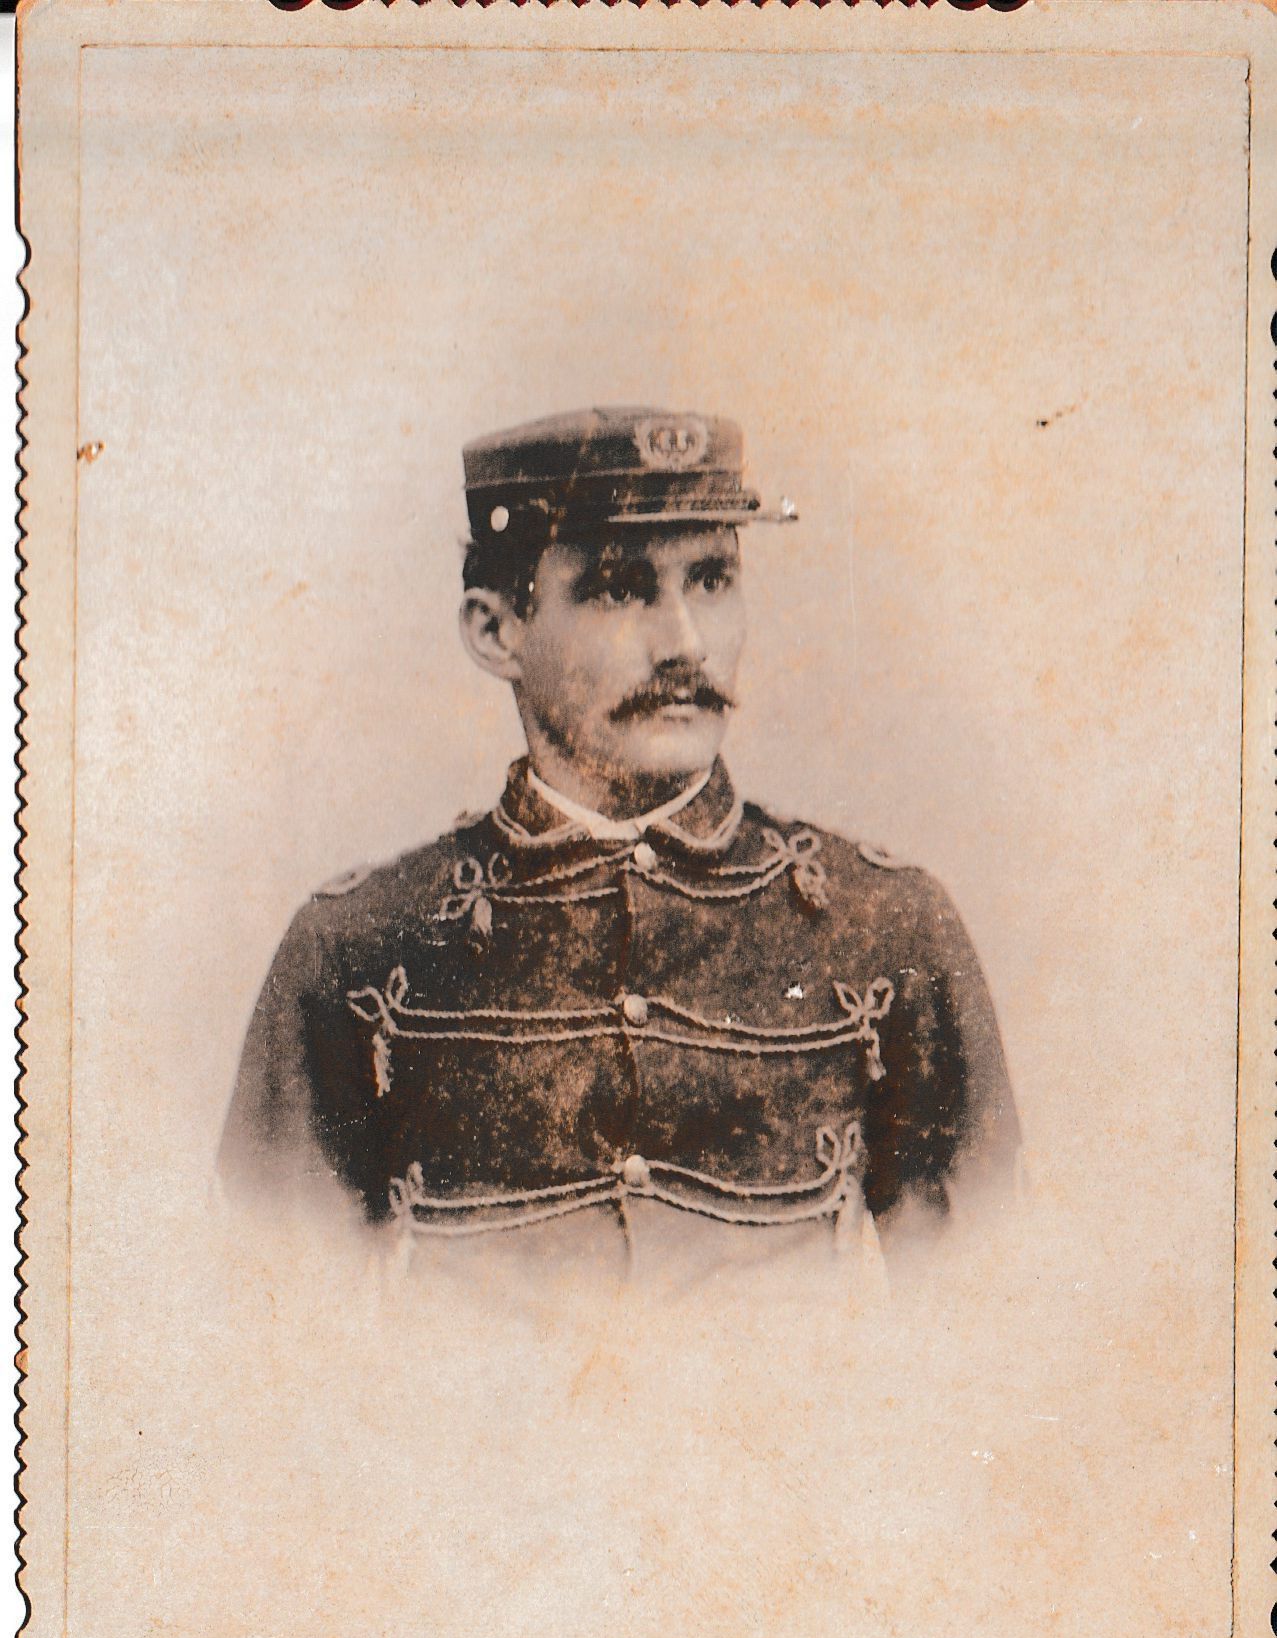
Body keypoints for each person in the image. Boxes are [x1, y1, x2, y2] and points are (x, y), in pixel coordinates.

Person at [220, 406, 1018, 1271]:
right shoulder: (357, 949)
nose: (685, 644)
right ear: (496, 631)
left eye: (710, 579)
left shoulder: (886, 925)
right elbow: (282, 1318)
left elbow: (979, 1312)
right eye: (617, 589)